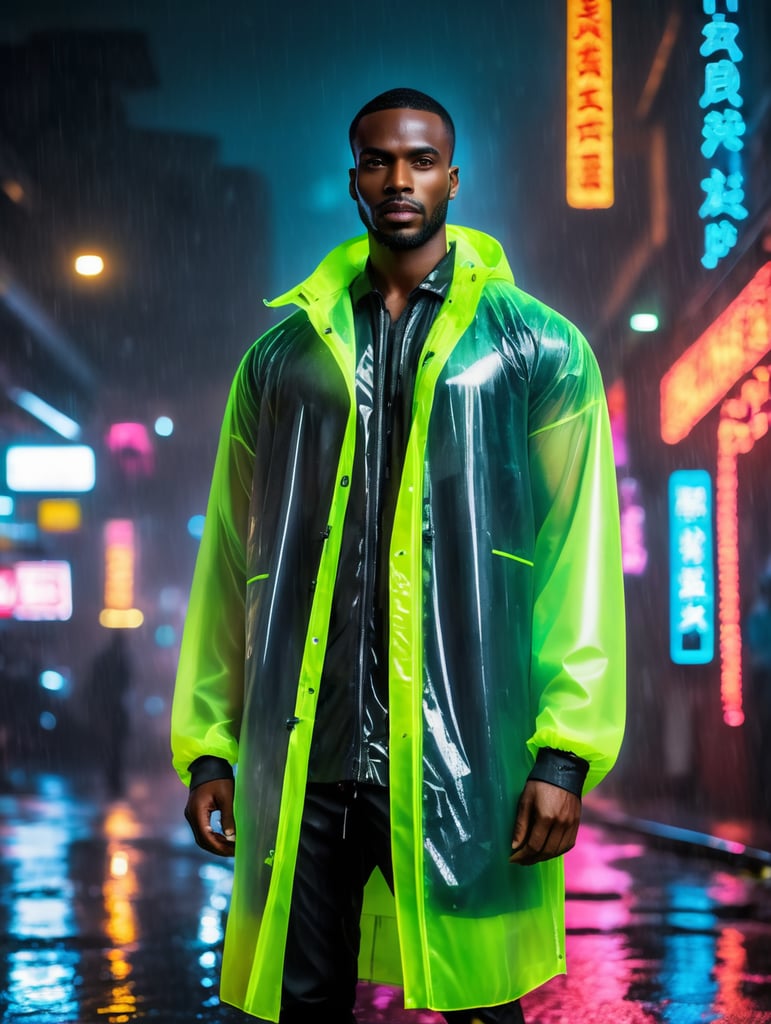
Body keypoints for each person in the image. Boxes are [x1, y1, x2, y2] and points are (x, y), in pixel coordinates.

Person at [171, 87, 626, 1024]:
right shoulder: (282, 357)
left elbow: (574, 554)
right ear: (353, 181)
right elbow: (232, 559)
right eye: (378, 160)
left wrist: (565, 755)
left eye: (420, 159)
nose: (399, 178)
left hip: (473, 759)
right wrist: (210, 746)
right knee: (303, 1004)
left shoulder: (533, 349)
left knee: (478, 1006)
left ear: (453, 177)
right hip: (307, 757)